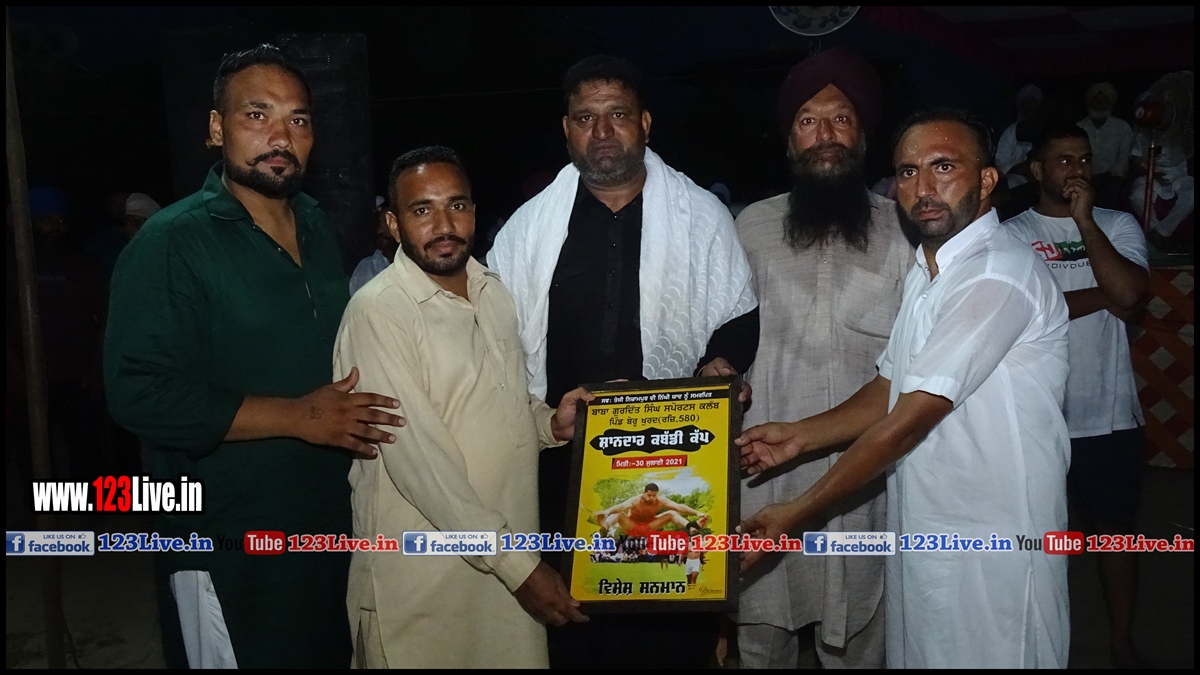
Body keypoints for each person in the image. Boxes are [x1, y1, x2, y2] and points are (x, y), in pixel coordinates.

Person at [104, 44, 404, 669]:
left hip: (326, 527)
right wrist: (299, 416)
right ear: (217, 129)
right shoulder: (172, 241)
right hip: (228, 542)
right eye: (257, 114)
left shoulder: (317, 225)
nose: (280, 136)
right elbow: (139, 392)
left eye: (298, 119)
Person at [738, 108, 1071, 668]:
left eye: (944, 166)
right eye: (908, 171)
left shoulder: (996, 274)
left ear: (987, 180)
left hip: (994, 543)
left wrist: (797, 513)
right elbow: (889, 387)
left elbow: (907, 421)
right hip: (927, 530)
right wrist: (800, 436)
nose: (924, 187)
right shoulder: (929, 270)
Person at [487, 54, 758, 669]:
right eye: (586, 118)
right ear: (567, 130)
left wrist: (721, 361)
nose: (602, 131)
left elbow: (738, 313)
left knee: (669, 635)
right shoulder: (527, 231)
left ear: (645, 123)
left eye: (617, 115)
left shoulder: (702, 218)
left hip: (675, 452)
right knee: (574, 631)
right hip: (561, 460)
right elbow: (496, 337)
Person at [334, 146, 590, 668]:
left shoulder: (493, 291)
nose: (444, 225)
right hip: (426, 585)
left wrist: (549, 424)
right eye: (422, 210)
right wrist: (520, 568)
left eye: (457, 205)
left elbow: (496, 400)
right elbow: (420, 464)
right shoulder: (379, 312)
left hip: (502, 569)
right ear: (394, 223)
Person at [734, 47, 913, 670]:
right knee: (761, 635)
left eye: (841, 118)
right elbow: (720, 337)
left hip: (864, 475)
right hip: (764, 467)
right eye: (808, 121)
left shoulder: (904, 229)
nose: (826, 135)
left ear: (863, 134)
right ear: (790, 139)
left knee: (859, 632)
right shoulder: (750, 227)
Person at [1005, 123, 1150, 668]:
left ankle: (1121, 641)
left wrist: (1085, 222)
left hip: (1109, 415)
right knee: (1038, 538)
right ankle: (1037, 647)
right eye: (1064, 160)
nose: (1077, 170)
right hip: (1035, 415)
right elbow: (1026, 314)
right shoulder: (1012, 234)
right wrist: (1104, 295)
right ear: (1037, 170)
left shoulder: (1115, 223)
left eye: (1084, 159)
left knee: (1116, 535)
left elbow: (1131, 292)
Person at [1077, 82, 1134, 210]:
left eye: (1103, 101)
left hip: (1112, 181)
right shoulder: (1079, 127)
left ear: (1110, 103)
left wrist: (1105, 176)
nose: (1099, 104)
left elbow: (1124, 159)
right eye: (1095, 100)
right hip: (1084, 179)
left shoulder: (1122, 127)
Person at [995, 84, 1043, 219]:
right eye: (1026, 105)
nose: (1029, 109)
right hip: (1015, 180)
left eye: (1033, 105)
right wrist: (1020, 168)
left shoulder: (1044, 131)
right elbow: (1000, 165)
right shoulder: (1010, 132)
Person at [593, 483, 708, 537]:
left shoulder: (660, 501)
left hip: (650, 526)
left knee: (672, 513)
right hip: (631, 526)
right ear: (643, 493)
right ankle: (605, 526)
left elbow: (679, 507)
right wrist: (607, 512)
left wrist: (697, 512)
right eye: (649, 495)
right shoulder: (636, 500)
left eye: (654, 495)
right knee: (619, 513)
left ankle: (691, 527)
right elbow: (622, 506)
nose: (652, 498)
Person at [348, 195, 399, 295]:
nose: (381, 230)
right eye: (379, 223)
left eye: (387, 223)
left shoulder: (416, 265)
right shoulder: (366, 267)